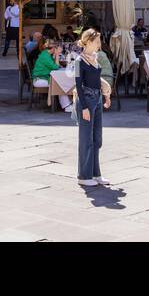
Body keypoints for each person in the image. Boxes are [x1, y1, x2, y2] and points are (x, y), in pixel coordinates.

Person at [74, 29, 112, 187]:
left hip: (96, 99)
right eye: (97, 41)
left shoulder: (94, 59)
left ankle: (96, 174)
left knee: (97, 138)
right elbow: (78, 85)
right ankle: (84, 175)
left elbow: (96, 79)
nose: (99, 44)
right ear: (88, 41)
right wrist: (83, 108)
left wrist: (106, 94)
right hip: (86, 100)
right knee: (86, 139)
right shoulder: (78, 61)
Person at [31, 37, 72, 110]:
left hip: (44, 78)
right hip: (39, 80)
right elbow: (55, 67)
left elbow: (56, 65)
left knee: (60, 81)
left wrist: (56, 56)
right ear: (53, 48)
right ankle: (66, 106)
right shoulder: (45, 56)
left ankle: (68, 103)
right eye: (55, 47)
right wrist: (57, 55)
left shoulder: (46, 54)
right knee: (59, 83)